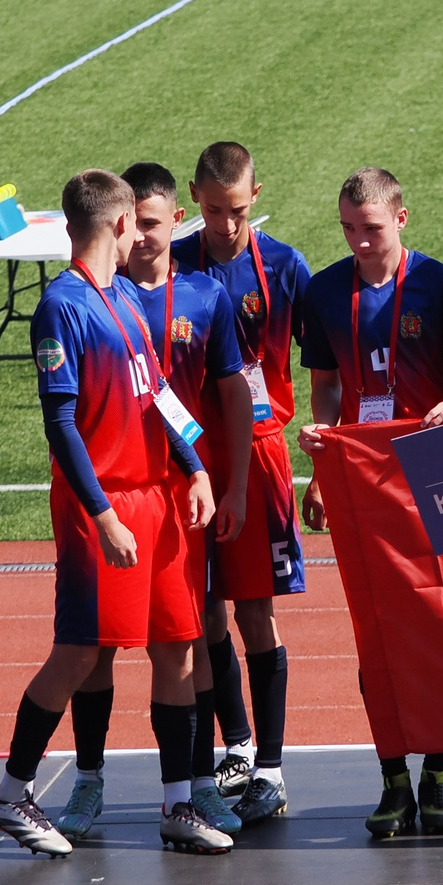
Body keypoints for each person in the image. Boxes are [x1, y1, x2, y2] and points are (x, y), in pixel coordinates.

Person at [0, 171, 226, 857]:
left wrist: (196, 465)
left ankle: (179, 803)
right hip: (108, 503)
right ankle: (10, 792)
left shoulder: (120, 295)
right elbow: (59, 421)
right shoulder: (62, 307)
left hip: (159, 499)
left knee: (179, 644)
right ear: (119, 226)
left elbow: (159, 399)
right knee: (81, 649)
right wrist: (103, 513)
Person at [295, 167, 443, 838]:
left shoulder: (441, 285)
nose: (360, 242)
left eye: (371, 228)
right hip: (362, 477)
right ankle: (394, 778)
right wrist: (320, 462)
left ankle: (438, 773)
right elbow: (327, 389)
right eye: (348, 229)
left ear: (402, 218)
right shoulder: (324, 291)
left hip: (431, 470)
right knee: (377, 638)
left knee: (439, 629)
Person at [106, 162, 255, 841]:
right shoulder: (95, 298)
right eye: (131, 222)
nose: (142, 235)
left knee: (188, 640)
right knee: (95, 644)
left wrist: (234, 485)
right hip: (116, 494)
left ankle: (194, 786)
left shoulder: (203, 297)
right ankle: (84, 782)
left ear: (176, 220)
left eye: (154, 222)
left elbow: (232, 397)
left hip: (183, 494)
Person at [173, 142, 312, 827]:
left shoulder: (286, 267)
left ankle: (272, 769)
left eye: (235, 211)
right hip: (194, 456)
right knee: (202, 612)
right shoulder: (174, 265)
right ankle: (236, 743)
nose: (225, 225)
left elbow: (328, 355)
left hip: (258, 453)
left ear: (257, 195)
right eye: (211, 211)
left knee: (256, 610)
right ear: (192, 198)